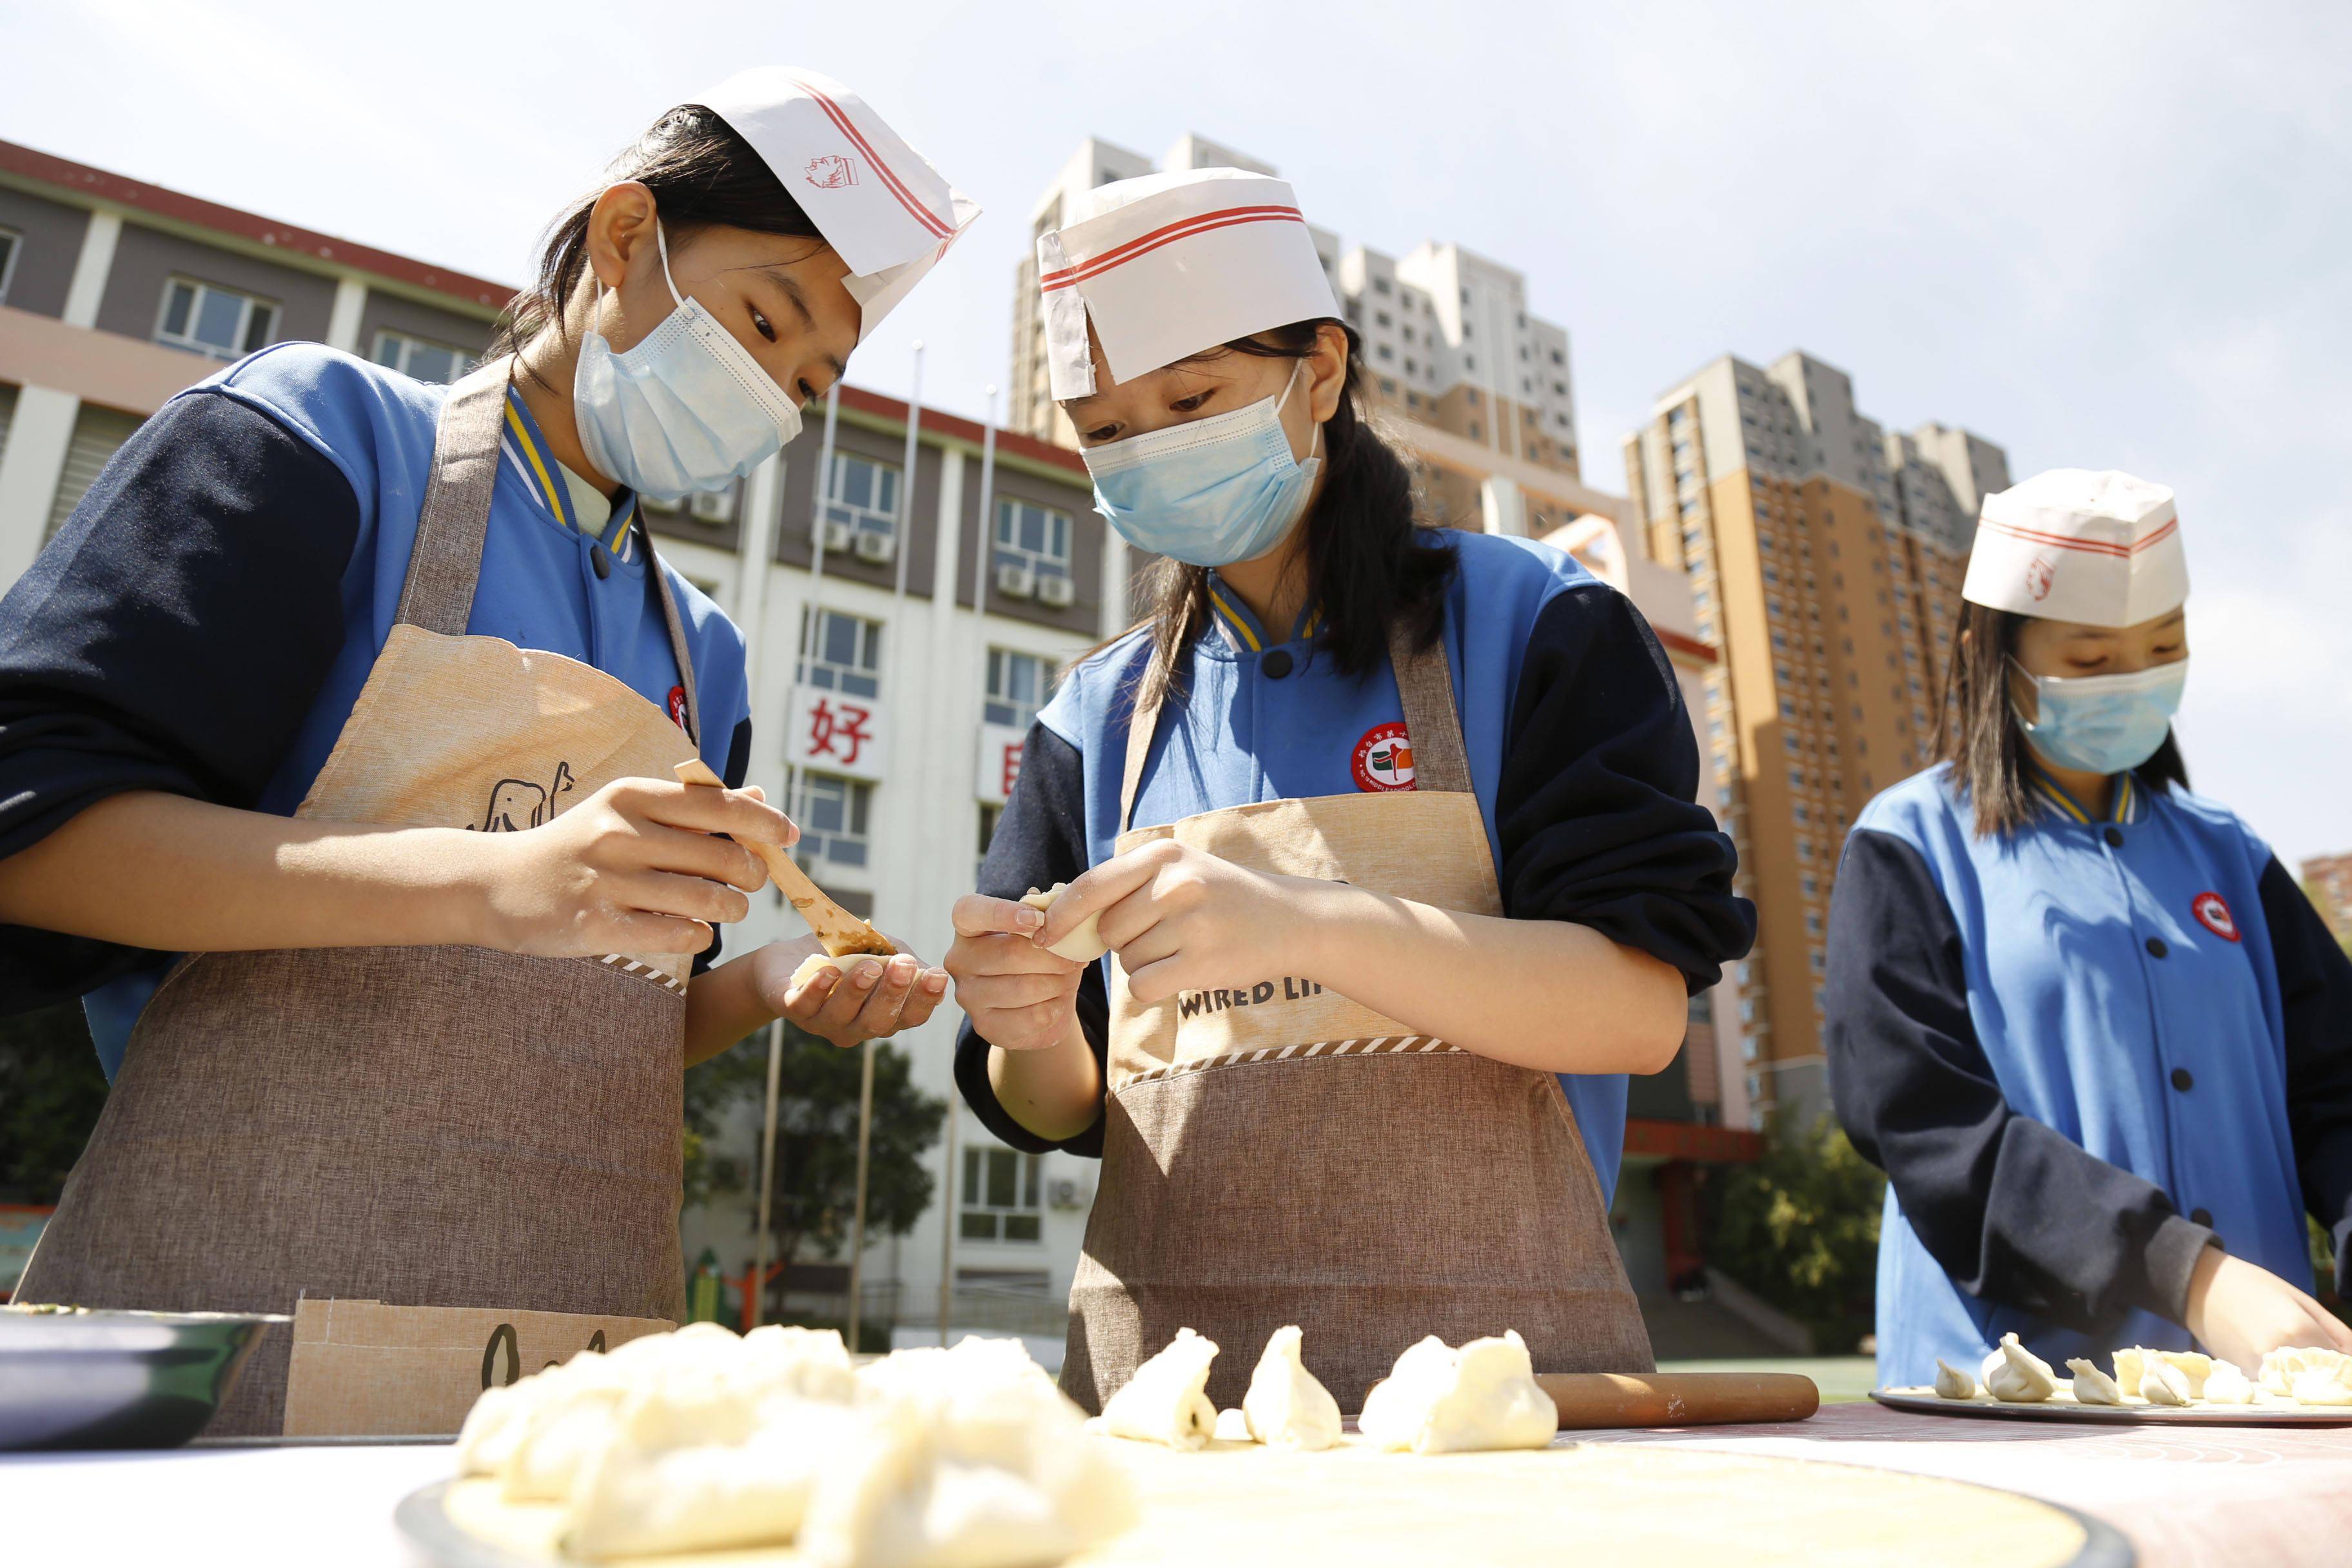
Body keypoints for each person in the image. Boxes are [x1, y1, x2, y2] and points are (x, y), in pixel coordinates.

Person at [0, 68, 973, 1433]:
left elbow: (596, 1033)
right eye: (763, 320)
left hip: (576, 1387)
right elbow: (28, 832)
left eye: (812, 381)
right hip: (243, 1332)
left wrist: (761, 981)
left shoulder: (707, 655)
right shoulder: (323, 440)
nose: (774, 394)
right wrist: (494, 877)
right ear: (625, 238)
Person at [942, 167, 1754, 1412]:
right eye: (1107, 429)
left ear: (1320, 372)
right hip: (1172, 1411)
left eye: (1193, 399)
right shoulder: (1094, 718)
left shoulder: (1539, 623)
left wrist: (1304, 921)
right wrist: (1029, 1017)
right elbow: (1059, 1106)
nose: (1150, 450)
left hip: (1507, 1397)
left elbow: (1636, 1010)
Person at [1825, 469, 2352, 1387]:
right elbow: (1922, 1121)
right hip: (2012, 1400)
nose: (2136, 683)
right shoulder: (1910, 843)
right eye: (2095, 662)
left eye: (2163, 648)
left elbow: (2340, 1096)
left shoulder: (2234, 859)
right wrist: (2190, 1277)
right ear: (1991, 655)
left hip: (2257, 1395)